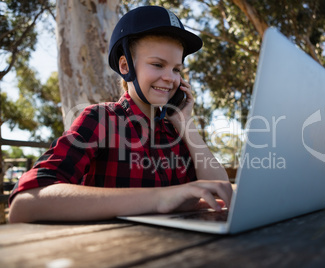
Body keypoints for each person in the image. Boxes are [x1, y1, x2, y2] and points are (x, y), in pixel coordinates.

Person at [8, 6, 232, 223]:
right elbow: (25, 203)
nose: (170, 78)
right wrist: (161, 198)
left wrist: (186, 124)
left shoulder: (176, 131)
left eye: (176, 69)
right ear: (125, 66)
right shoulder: (101, 119)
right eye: (157, 64)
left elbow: (223, 194)